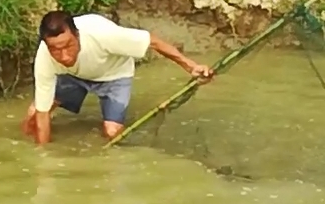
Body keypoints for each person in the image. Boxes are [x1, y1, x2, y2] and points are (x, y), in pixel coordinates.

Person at [22, 9, 212, 145]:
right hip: (73, 75)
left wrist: (192, 66)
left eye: (68, 46)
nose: (63, 56)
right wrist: (44, 160)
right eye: (55, 49)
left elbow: (152, 42)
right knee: (33, 118)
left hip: (113, 74)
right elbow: (43, 112)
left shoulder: (103, 34)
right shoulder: (44, 57)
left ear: (78, 35)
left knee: (113, 133)